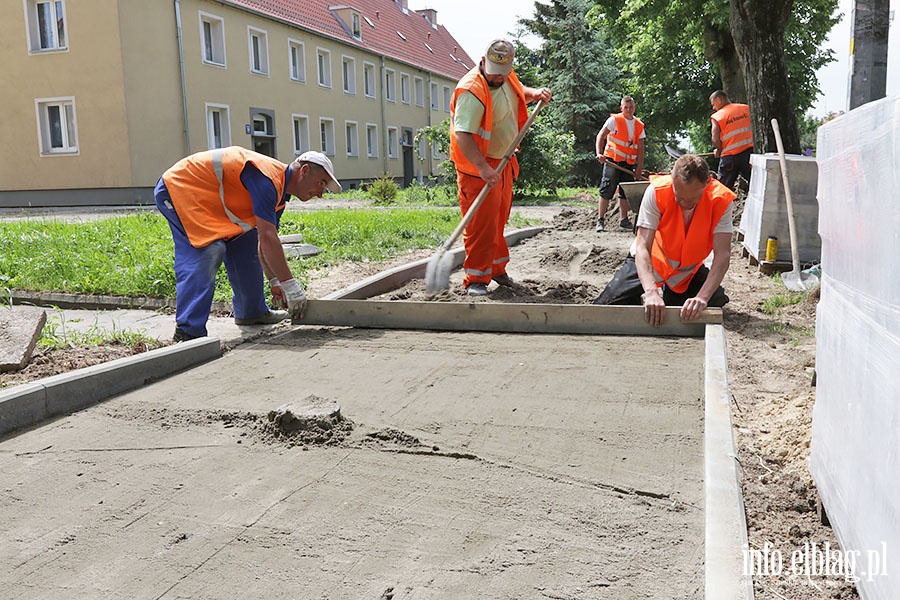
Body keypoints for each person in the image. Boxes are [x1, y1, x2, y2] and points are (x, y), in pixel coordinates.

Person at [155, 146, 341, 341]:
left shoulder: (279, 195)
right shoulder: (266, 178)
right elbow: (269, 238)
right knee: (209, 250)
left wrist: (275, 281)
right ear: (304, 171)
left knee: (247, 244)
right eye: (321, 183)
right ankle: (188, 331)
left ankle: (251, 312)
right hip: (180, 188)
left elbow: (263, 241)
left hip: (210, 202)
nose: (321, 193)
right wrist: (291, 286)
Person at [449, 38, 552, 296]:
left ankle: (497, 269)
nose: (498, 79)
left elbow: (517, 92)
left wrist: (534, 94)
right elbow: (463, 135)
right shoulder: (472, 91)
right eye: (494, 75)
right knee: (481, 225)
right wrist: (483, 168)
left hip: (503, 162)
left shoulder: (505, 74)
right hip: (478, 168)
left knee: (498, 220)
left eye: (503, 75)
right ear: (483, 62)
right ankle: (476, 278)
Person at [592, 154, 735, 326]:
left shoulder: (721, 200)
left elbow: (723, 256)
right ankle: (648, 296)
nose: (684, 203)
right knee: (605, 307)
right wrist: (651, 292)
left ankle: (670, 297)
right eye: (679, 196)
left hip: (686, 271)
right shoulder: (657, 191)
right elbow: (642, 247)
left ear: (708, 183)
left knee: (713, 301)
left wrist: (702, 298)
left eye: (692, 199)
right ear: (672, 180)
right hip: (651, 263)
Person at [595, 95, 645, 232]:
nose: (629, 110)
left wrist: (639, 167)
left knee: (625, 191)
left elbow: (641, 148)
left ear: (634, 108)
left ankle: (623, 219)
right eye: (626, 107)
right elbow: (600, 136)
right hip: (612, 160)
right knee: (607, 188)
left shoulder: (639, 125)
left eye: (631, 107)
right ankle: (600, 220)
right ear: (621, 108)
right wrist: (599, 153)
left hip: (628, 163)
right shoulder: (614, 120)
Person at [709, 90, 753, 190]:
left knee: (723, 189)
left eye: (713, 104)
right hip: (749, 155)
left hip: (729, 158)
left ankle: (721, 206)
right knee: (756, 184)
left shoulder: (718, 116)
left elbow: (715, 139)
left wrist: (719, 150)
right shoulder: (746, 108)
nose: (713, 108)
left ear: (719, 100)